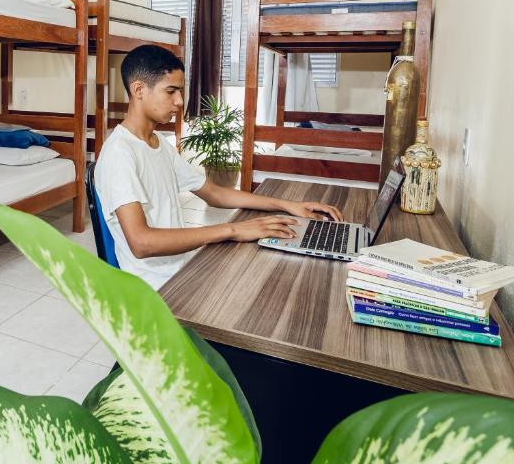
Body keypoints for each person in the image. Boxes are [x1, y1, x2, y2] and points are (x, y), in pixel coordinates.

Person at [94, 45, 343, 290]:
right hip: (158, 288)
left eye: (181, 91)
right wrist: (232, 229)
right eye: (171, 91)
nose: (180, 101)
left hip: (182, 269)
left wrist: (286, 205)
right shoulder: (119, 153)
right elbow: (141, 243)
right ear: (139, 89)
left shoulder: (158, 144)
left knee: (278, 266)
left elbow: (214, 193)